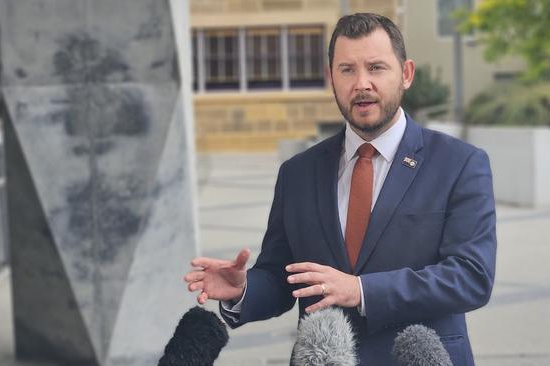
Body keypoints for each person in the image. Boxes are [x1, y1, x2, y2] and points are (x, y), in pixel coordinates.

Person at [184, 13, 496, 366]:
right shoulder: (297, 173)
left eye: (376, 68)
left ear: (406, 74)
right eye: (347, 70)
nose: (362, 83)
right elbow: (283, 277)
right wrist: (243, 290)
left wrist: (361, 290)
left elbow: (471, 277)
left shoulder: (459, 163)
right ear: (330, 77)